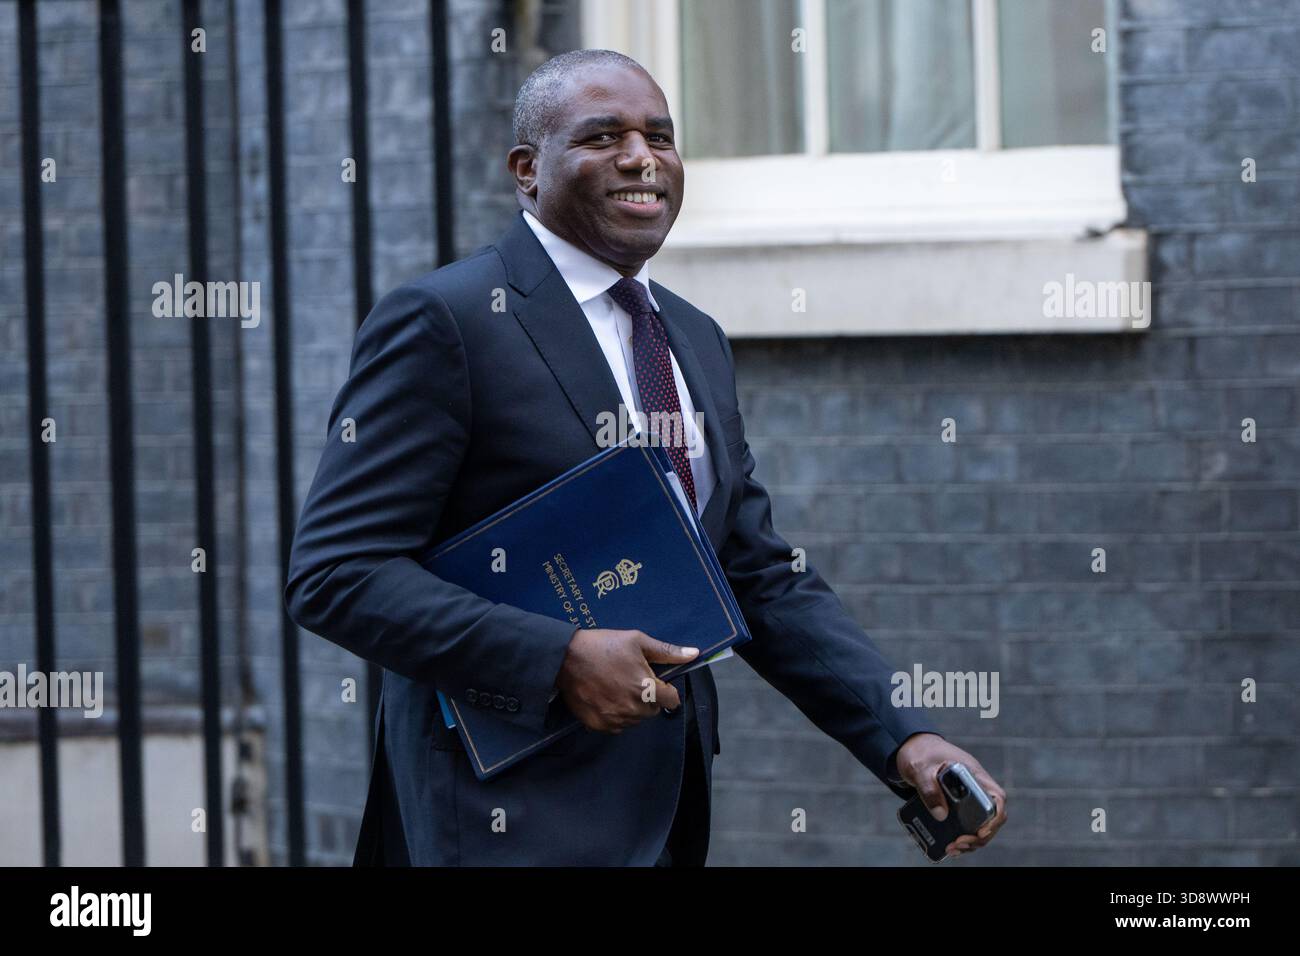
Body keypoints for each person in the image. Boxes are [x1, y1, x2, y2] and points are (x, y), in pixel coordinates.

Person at [284, 49, 1006, 866]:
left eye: (659, 137)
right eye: (603, 136)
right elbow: (337, 574)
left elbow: (750, 572)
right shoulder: (449, 321)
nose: (641, 157)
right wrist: (555, 660)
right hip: (498, 817)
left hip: (663, 813)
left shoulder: (691, 336)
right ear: (528, 170)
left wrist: (902, 732)